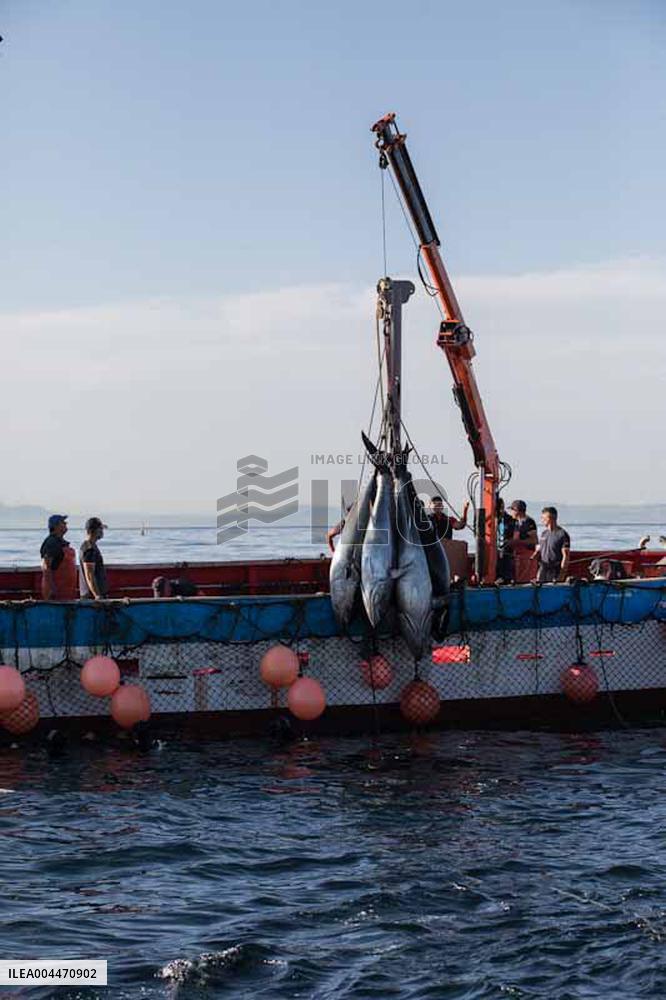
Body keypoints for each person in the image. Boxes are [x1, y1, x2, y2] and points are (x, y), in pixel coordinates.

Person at [40, 514, 77, 600]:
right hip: (57, 595)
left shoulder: (62, 543)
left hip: (68, 593)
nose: (66, 524)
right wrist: (50, 591)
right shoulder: (51, 543)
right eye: (63, 522)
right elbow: (46, 568)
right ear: (56, 526)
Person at [534, 506, 570, 583]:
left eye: (544, 518)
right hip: (543, 567)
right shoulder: (544, 534)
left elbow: (566, 556)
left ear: (550, 518)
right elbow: (540, 548)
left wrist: (562, 574)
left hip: (555, 569)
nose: (542, 520)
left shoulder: (562, 534)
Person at [79, 517, 108, 600]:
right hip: (91, 598)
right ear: (95, 530)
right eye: (101, 529)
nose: (102, 532)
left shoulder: (90, 546)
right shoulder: (89, 549)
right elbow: (89, 575)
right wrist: (97, 596)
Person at [496, 498, 516, 582]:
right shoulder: (491, 519)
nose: (501, 510)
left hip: (506, 551)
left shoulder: (509, 520)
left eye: (502, 507)